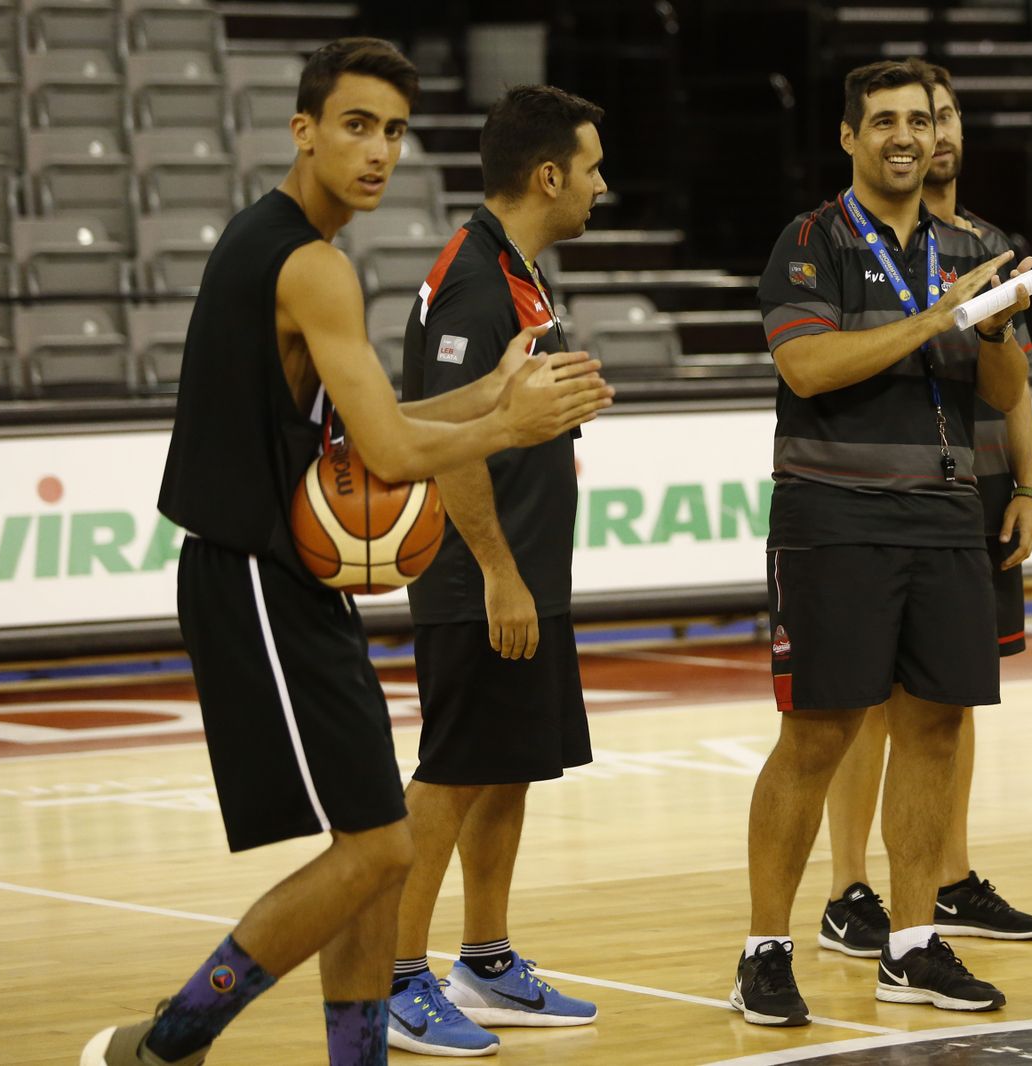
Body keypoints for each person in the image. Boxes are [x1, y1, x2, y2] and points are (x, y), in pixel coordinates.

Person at [82, 40, 613, 1066]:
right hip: (248, 572)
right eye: (357, 126)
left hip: (286, 582)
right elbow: (394, 450)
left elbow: (383, 416)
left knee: (380, 849)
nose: (379, 152)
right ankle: (170, 1040)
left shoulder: (294, 249)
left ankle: (353, 1055)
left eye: (396, 132)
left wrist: (493, 397)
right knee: (375, 846)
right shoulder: (308, 264)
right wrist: (511, 427)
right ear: (305, 131)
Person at [731, 58, 1032, 1027]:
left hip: (947, 515)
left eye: (919, 118)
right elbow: (808, 365)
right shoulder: (810, 240)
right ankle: (764, 948)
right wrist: (939, 315)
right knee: (816, 733)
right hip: (835, 518)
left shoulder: (967, 245)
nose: (907, 135)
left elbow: (1001, 394)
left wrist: (995, 329)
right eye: (885, 121)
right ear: (850, 137)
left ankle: (910, 944)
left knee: (936, 726)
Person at [384, 85, 608, 1057]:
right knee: (452, 771)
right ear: (548, 174)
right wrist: (496, 571)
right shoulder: (475, 279)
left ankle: (482, 959)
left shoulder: (511, 269)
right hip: (480, 573)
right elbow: (448, 436)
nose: (602, 185)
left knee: (506, 767)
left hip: (519, 568)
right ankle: (394, 975)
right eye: (593, 167)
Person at [817, 60, 1032, 963]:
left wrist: (1028, 484)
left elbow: (1018, 386)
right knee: (863, 699)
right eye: (923, 117)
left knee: (950, 699)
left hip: (978, 482)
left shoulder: (990, 245)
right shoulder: (848, 238)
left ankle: (948, 880)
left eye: (948, 117)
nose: (938, 133)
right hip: (885, 484)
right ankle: (849, 887)